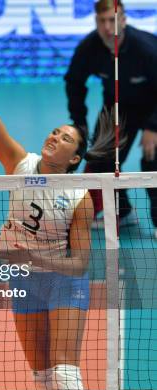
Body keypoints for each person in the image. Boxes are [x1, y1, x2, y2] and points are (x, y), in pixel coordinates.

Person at [0, 19, 123, 390]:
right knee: (41, 373)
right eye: (53, 132)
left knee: (63, 370)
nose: (53, 137)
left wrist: (32, 260)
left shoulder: (80, 197)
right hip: (22, 277)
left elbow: (80, 262)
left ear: (75, 159)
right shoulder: (20, 164)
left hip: (62, 276)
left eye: (64, 138)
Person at [64, 0, 157, 235]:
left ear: (123, 20)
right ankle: (123, 212)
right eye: (102, 21)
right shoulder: (89, 48)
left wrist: (153, 128)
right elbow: (74, 82)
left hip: (152, 106)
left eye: (113, 20)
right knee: (101, 160)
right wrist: (80, 123)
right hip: (117, 107)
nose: (108, 27)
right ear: (96, 22)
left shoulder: (145, 49)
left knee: (152, 160)